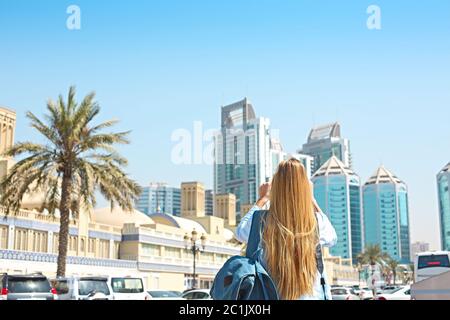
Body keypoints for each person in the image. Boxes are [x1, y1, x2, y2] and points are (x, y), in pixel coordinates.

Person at [235, 158, 337, 300]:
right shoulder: (316, 222)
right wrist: (312, 199)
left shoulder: (261, 221)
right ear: (305, 189)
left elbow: (240, 233)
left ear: (275, 187)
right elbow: (333, 238)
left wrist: (262, 198)